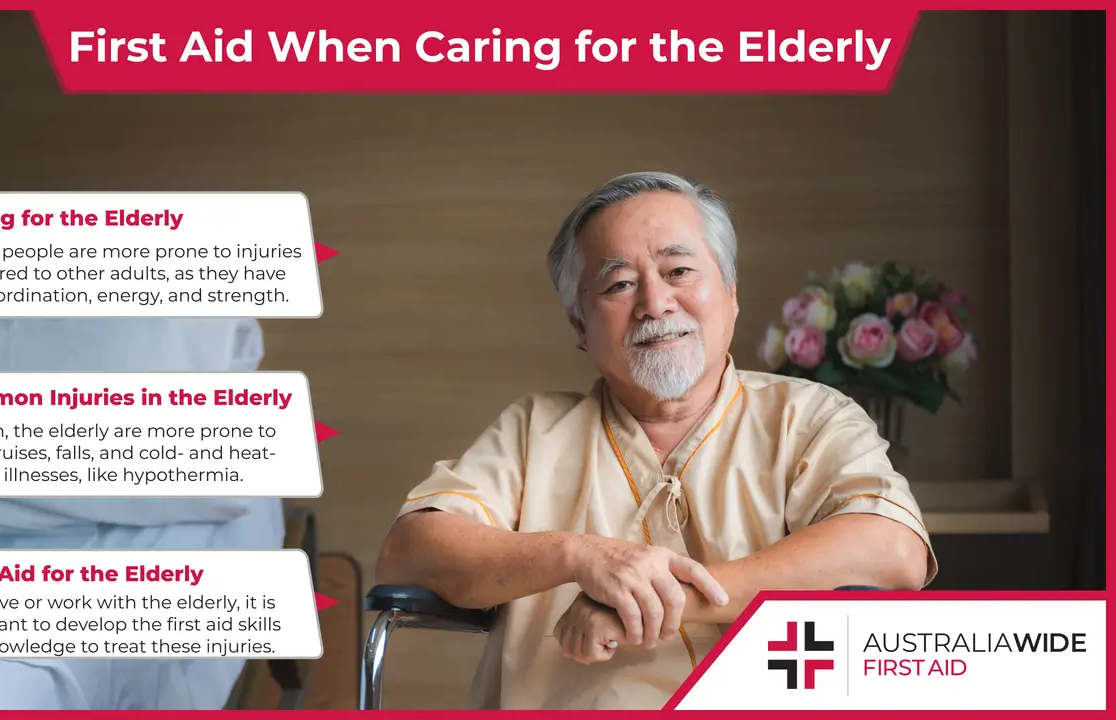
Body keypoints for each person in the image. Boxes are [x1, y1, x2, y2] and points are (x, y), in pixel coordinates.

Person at [374, 171, 936, 710]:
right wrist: (581, 555)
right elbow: (408, 555)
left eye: (679, 271)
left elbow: (894, 551)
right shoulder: (532, 430)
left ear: (731, 293)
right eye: (619, 284)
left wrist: (669, 599)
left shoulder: (810, 417)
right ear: (580, 326)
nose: (655, 303)